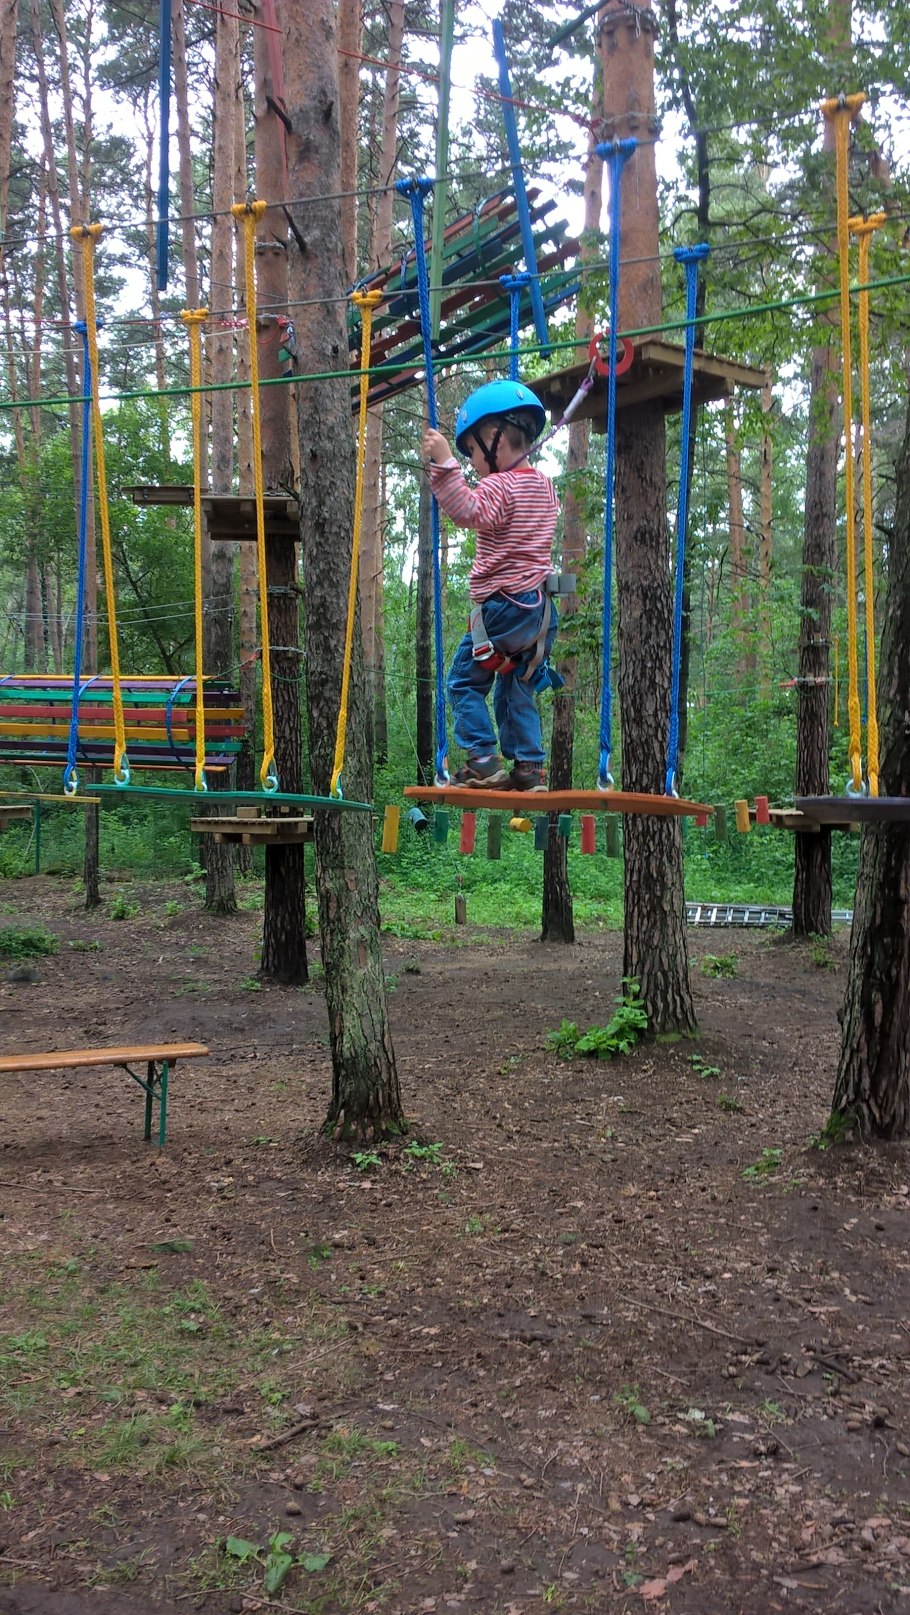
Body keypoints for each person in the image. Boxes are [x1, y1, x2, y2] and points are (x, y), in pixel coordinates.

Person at [423, 378, 559, 791]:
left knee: (464, 681)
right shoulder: (545, 485)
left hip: (502, 609)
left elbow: (466, 511)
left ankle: (482, 759)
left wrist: (445, 464)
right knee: (516, 682)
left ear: (493, 440)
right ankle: (528, 766)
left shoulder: (500, 484)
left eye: (472, 452)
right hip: (540, 614)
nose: (471, 462)